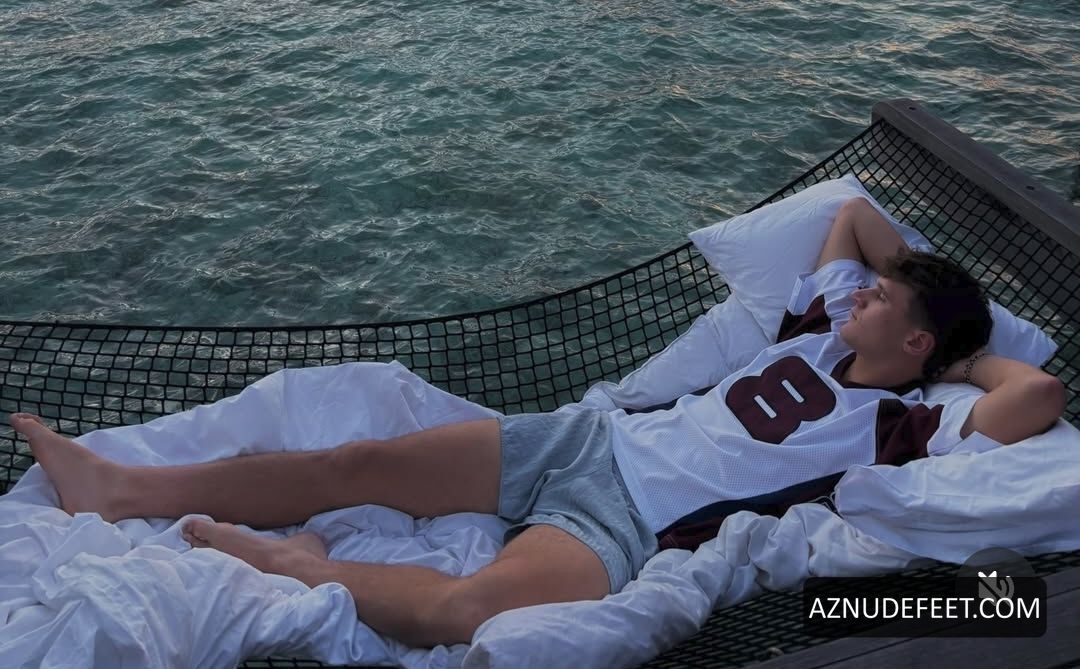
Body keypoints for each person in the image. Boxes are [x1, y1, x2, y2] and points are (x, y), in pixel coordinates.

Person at [10, 197, 1067, 649]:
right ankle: (125, 486)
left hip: (630, 521)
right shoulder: (815, 329)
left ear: (917, 342)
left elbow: (1040, 398)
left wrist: (959, 354)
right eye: (867, 288)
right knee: (354, 457)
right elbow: (851, 214)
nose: (860, 292)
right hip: (591, 438)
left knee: (469, 611)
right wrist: (911, 292)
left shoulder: (903, 426)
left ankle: (295, 565)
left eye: (882, 300)